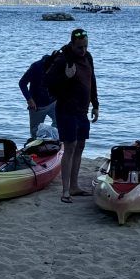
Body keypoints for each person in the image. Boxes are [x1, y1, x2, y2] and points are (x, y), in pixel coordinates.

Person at [46, 29, 99, 203]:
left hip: (83, 111)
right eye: (79, 47)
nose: (83, 50)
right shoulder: (63, 59)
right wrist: (65, 77)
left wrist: (96, 104)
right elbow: (48, 83)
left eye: (85, 46)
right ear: (72, 44)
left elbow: (92, 81)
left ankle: (75, 186)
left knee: (80, 146)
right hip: (66, 110)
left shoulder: (88, 57)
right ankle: (66, 191)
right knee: (70, 146)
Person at [19, 52, 58, 139]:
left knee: (60, 122)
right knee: (35, 132)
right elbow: (22, 83)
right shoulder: (36, 67)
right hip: (37, 105)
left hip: (53, 103)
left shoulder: (58, 67)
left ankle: (52, 140)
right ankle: (36, 146)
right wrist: (29, 100)